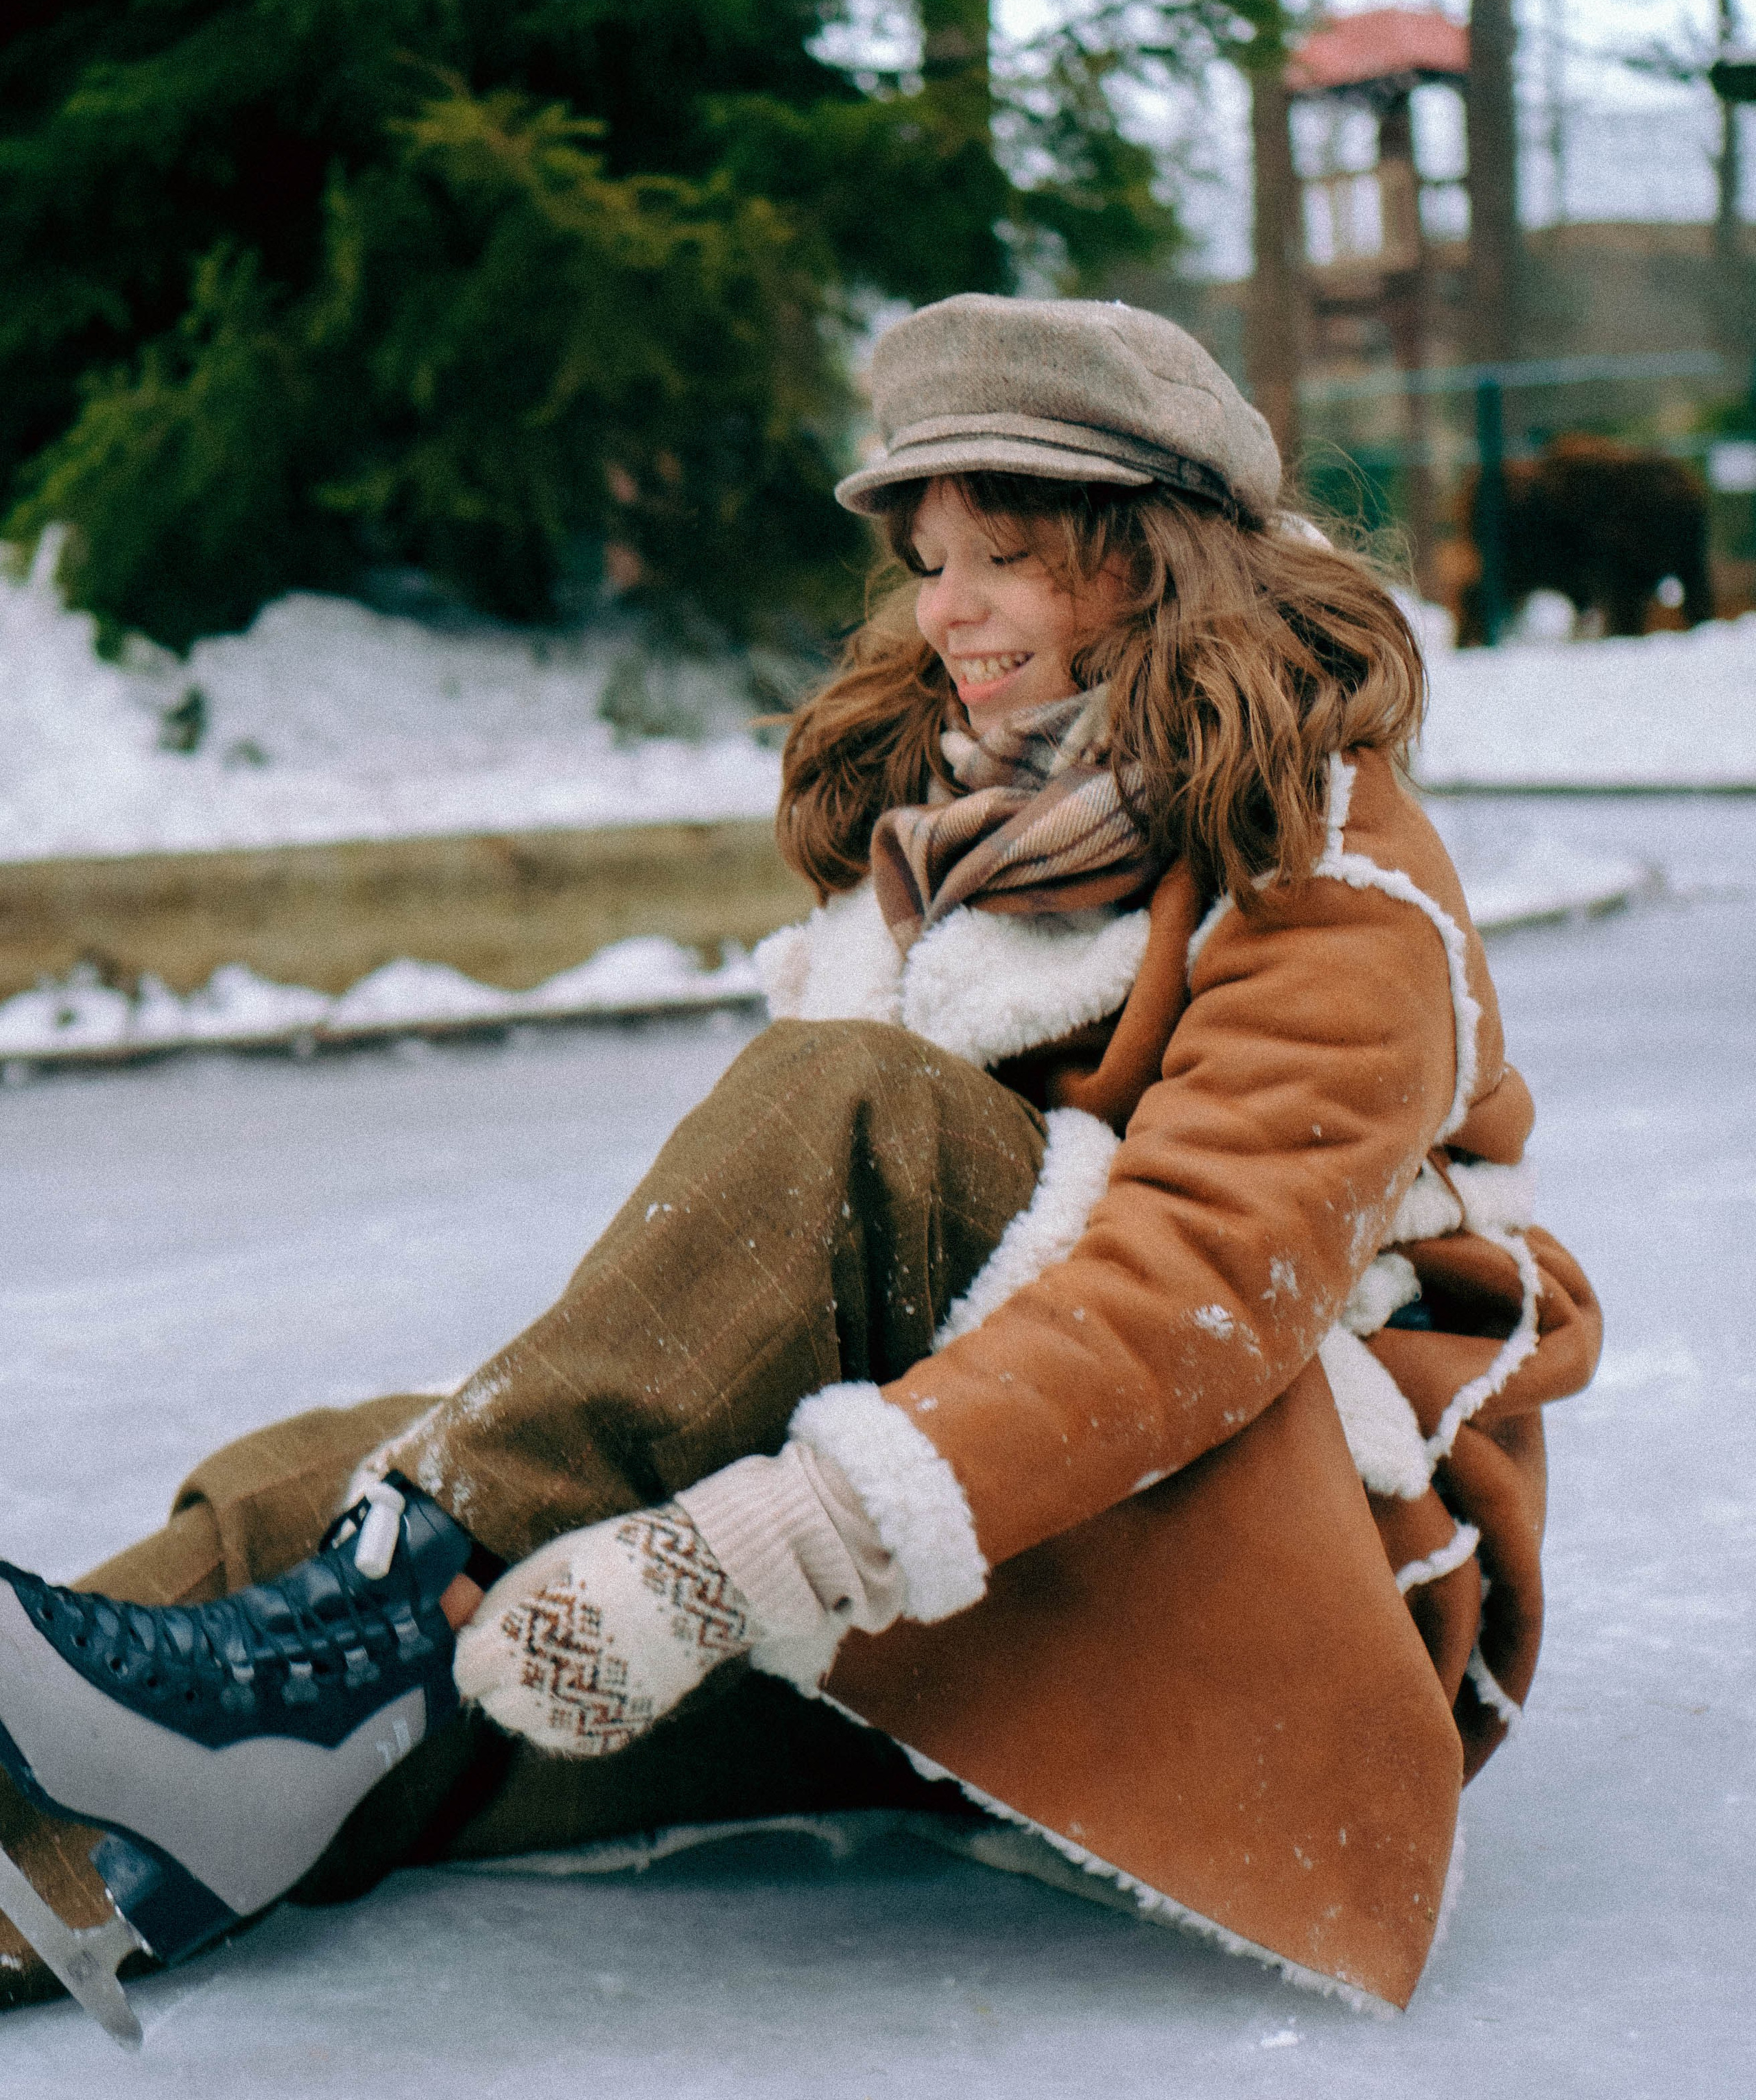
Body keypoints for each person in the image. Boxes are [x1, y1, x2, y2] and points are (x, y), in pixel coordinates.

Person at [0, 295, 1601, 2042]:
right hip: (975, 1545)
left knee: (852, 1111)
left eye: (1005, 555)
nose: (945, 612)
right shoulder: (959, 833)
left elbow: (1197, 1297)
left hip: (1277, 1582)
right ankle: (53, 1838)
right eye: (928, 559)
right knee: (342, 1555)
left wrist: (758, 1545)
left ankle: (351, 1609)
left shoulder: (1329, 873)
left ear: (1153, 561)